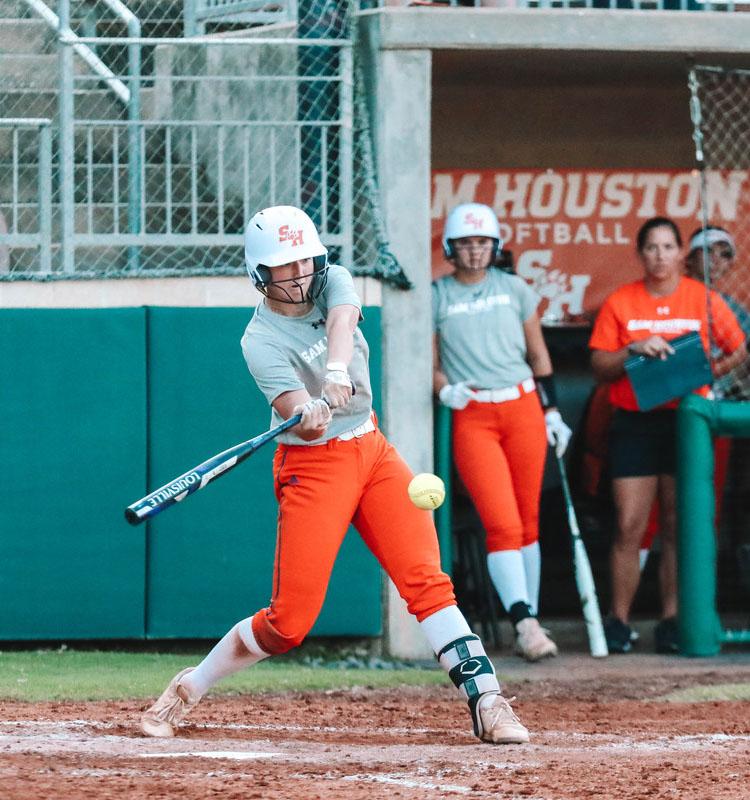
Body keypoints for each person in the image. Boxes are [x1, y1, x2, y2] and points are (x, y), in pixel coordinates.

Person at [139, 205, 529, 745]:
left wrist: (337, 372)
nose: (300, 274)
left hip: (372, 449)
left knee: (426, 581)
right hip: (313, 468)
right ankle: (189, 686)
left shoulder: (333, 280)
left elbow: (344, 320)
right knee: (288, 623)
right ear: (260, 273)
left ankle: (487, 699)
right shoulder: (259, 341)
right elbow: (299, 417)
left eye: (305, 261)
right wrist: (307, 413)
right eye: (285, 266)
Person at [589, 216, 746, 654]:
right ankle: (618, 621)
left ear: (681, 253)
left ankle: (672, 618)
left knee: (679, 525)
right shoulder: (622, 301)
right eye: (651, 248)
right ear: (640, 255)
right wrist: (633, 348)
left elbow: (738, 348)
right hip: (635, 420)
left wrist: (706, 373)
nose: (660, 256)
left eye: (667, 247)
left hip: (686, 422)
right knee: (629, 524)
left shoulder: (704, 298)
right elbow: (599, 367)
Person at [432, 202, 572, 662]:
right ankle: (525, 623)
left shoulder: (514, 288)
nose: (475, 252)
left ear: (495, 246)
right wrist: (446, 388)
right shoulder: (437, 295)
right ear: (452, 248)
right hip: (474, 411)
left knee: (528, 523)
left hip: (524, 406)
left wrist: (551, 412)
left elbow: (540, 357)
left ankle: (527, 618)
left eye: (483, 243)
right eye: (467, 243)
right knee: (502, 523)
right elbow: (428, 365)